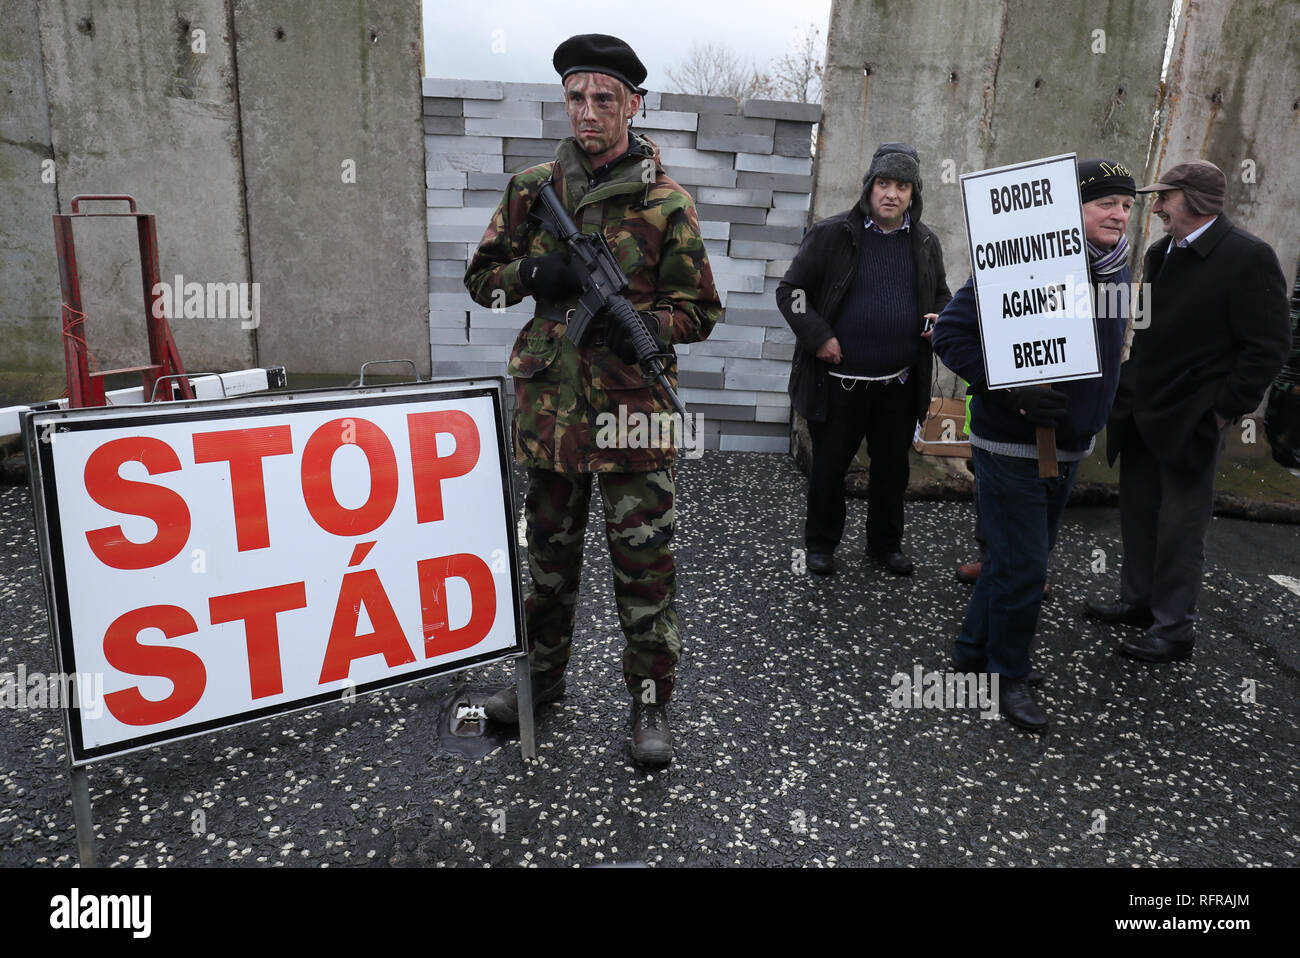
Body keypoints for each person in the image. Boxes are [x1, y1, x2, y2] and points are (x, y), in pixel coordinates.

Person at [463, 34, 720, 766]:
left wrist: (639, 323)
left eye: (604, 98)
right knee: (547, 564)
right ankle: (538, 686)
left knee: (645, 571)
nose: (588, 111)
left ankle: (649, 709)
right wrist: (539, 273)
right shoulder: (532, 189)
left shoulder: (668, 202)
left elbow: (700, 312)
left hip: (635, 412)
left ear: (634, 105)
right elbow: (482, 279)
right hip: (551, 416)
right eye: (577, 96)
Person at [931, 158, 1137, 731]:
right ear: (1071, 209)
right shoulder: (1025, 261)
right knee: (1026, 568)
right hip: (1011, 444)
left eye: (1126, 204)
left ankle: (973, 653)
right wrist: (1014, 386)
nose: (1119, 214)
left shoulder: (1118, 271)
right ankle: (1007, 675)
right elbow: (949, 334)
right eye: (1105, 203)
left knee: (1011, 560)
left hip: (1070, 446)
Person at [1085, 160, 1291, 662]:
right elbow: (1147, 324)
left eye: (1164, 199)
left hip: (1192, 420)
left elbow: (1267, 348)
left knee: (1180, 526)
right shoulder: (1160, 253)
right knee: (1137, 514)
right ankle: (1137, 603)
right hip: (1141, 411)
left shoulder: (1248, 258)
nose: (1154, 208)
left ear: (1194, 201)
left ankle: (1173, 629)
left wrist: (1221, 411)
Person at [776, 143, 950, 577]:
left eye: (902, 186)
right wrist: (819, 338)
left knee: (892, 472)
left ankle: (884, 545)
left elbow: (942, 295)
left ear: (914, 193)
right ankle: (820, 545)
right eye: (883, 184)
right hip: (840, 382)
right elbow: (791, 293)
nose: (891, 194)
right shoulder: (833, 234)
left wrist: (941, 318)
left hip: (900, 382)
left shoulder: (926, 242)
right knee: (829, 470)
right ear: (869, 188)